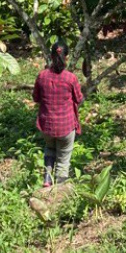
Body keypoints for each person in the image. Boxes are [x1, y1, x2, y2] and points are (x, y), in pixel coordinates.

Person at [32, 39, 84, 187]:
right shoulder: (70, 78)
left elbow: (35, 98)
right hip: (66, 126)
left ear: (51, 56)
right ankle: (59, 188)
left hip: (47, 126)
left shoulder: (42, 76)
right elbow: (79, 99)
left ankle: (47, 180)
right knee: (63, 157)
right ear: (66, 57)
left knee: (50, 148)